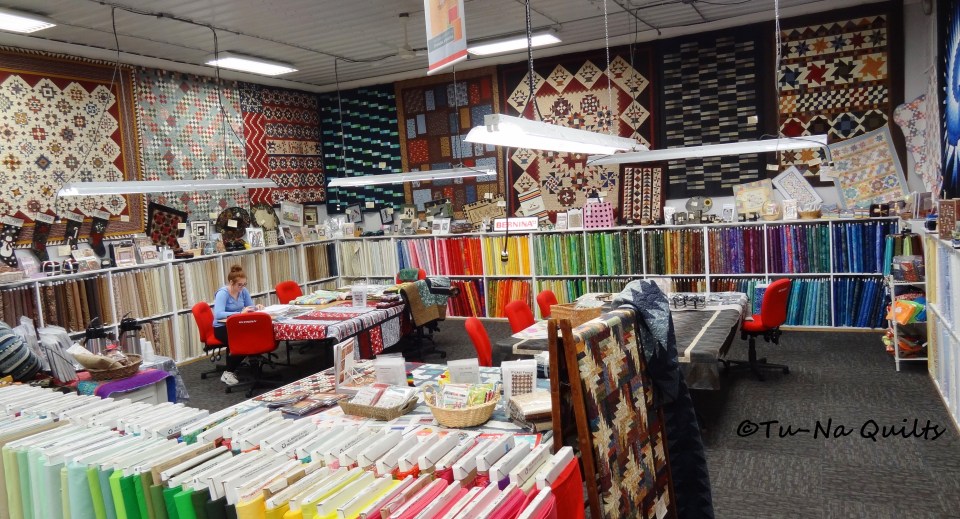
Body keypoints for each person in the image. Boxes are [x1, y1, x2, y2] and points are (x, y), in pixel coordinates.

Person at [213, 265, 263, 385]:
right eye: (239, 285)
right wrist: (240, 313)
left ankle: (251, 368)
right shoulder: (223, 293)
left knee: (253, 337)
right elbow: (218, 314)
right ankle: (228, 373)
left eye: (244, 284)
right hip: (222, 328)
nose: (242, 287)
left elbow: (249, 307)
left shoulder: (243, 291)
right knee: (244, 341)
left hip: (238, 326)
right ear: (231, 283)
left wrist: (256, 307)